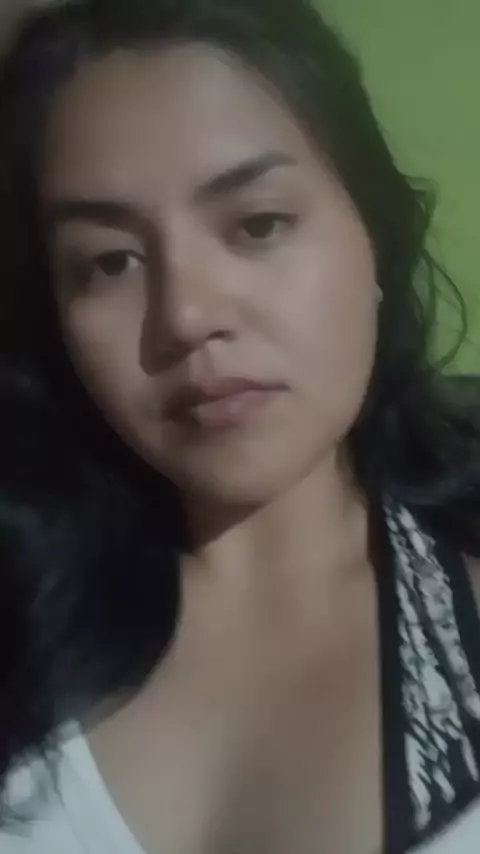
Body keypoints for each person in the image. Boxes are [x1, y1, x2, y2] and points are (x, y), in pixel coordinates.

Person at [0, 0, 479, 851]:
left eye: (258, 224)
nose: (186, 316)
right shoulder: (25, 630)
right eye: (110, 261)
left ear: (375, 238)